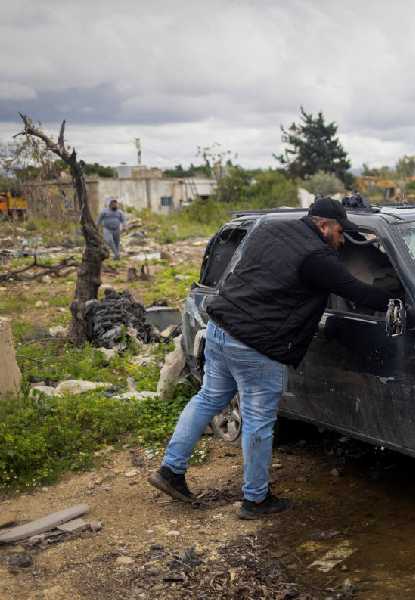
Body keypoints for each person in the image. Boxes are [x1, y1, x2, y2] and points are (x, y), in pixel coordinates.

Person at [149, 198, 391, 519]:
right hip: (256, 346)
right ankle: (255, 500)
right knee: (258, 422)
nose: (342, 239)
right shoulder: (317, 257)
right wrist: (397, 297)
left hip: (220, 328)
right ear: (323, 226)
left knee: (207, 399)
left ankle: (170, 470)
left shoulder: (269, 228)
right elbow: (358, 293)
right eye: (339, 232)